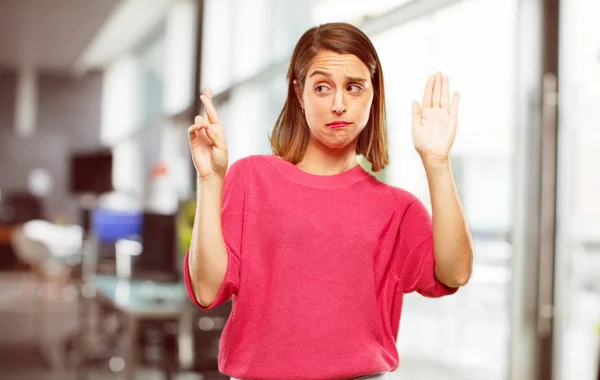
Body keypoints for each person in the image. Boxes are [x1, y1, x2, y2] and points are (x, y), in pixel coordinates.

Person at [185, 22, 474, 380]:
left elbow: (455, 272)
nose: (339, 105)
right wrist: (211, 180)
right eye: (322, 87)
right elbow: (205, 289)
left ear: (373, 93)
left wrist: (437, 162)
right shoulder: (251, 179)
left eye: (354, 87)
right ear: (299, 94)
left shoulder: (397, 208)